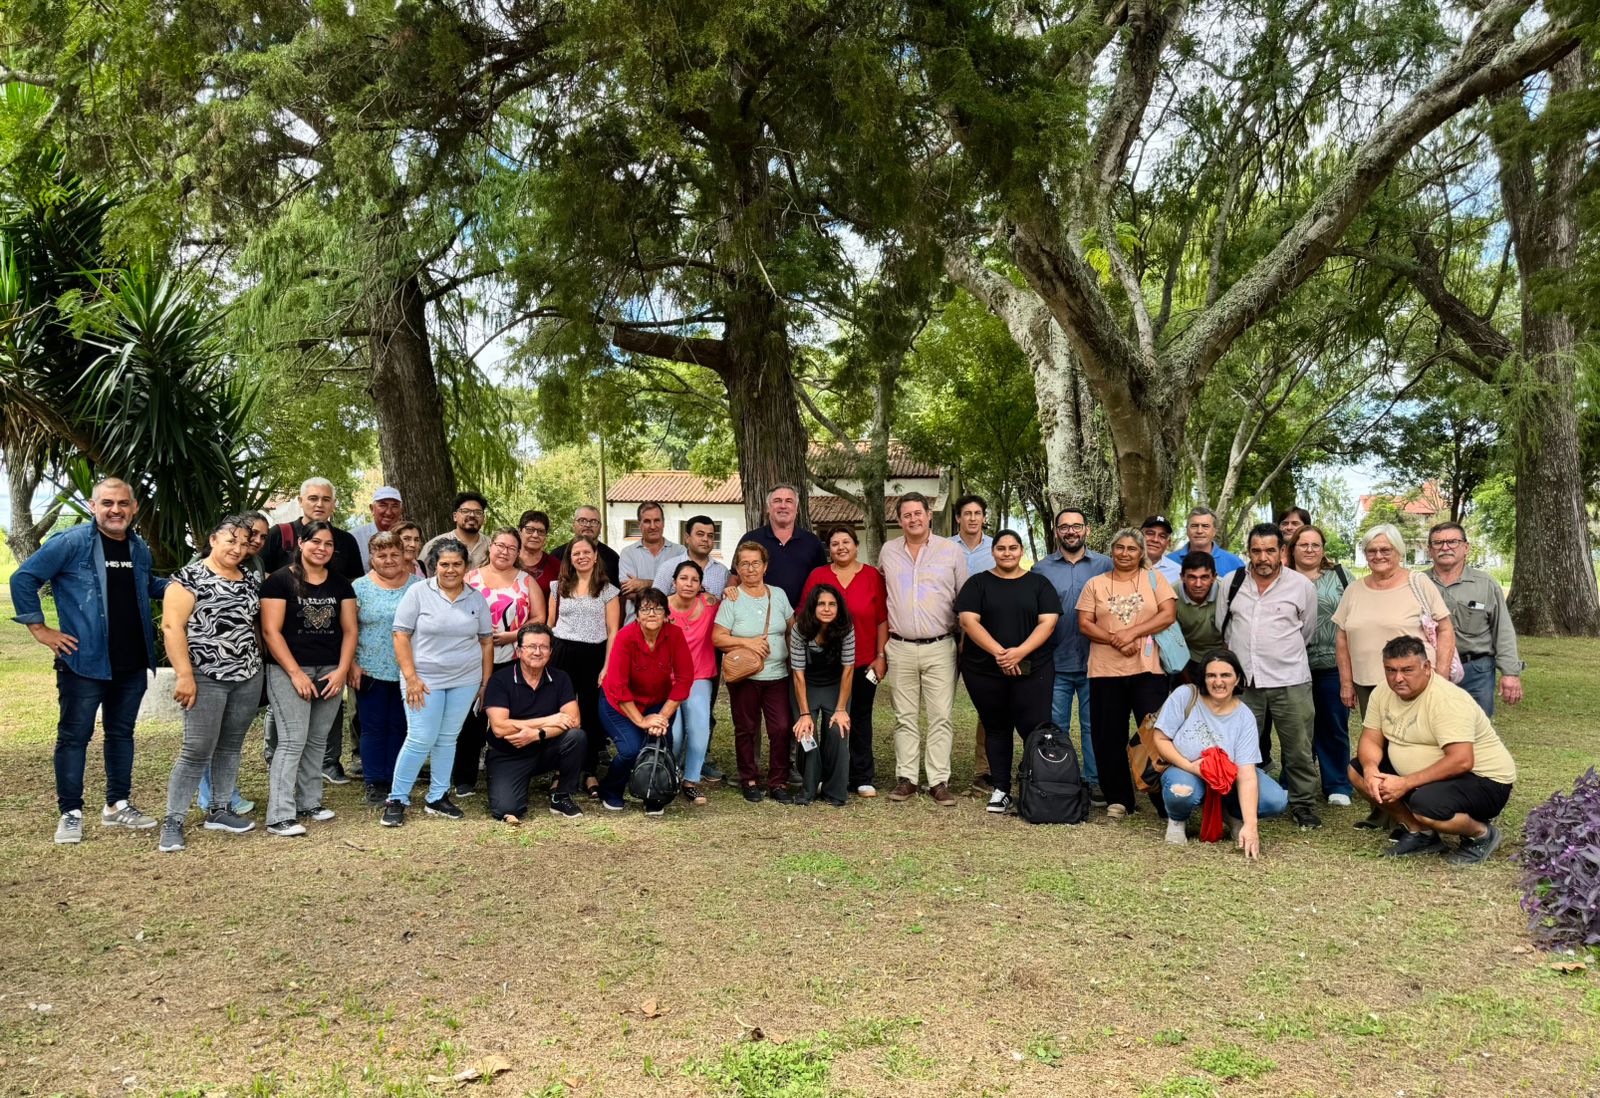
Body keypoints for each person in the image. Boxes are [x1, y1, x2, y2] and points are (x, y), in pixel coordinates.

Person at [11, 477, 170, 844]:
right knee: (74, 736)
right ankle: (70, 813)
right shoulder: (71, 543)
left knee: (121, 734)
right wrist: (40, 629)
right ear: (93, 506)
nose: (116, 510)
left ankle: (117, 805)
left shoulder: (138, 547)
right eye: (107, 503)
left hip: (131, 661)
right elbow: (24, 578)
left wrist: (187, 585)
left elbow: (147, 586)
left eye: (123, 503)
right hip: (84, 661)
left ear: (134, 508)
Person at [1349, 636, 1516, 865]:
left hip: (1484, 780)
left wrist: (1405, 783)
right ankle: (1421, 833)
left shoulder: (1447, 700)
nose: (1398, 678)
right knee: (1357, 770)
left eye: (1407, 670)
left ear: (1426, 667)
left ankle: (1481, 835)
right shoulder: (1382, 692)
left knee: (1426, 805)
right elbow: (1371, 739)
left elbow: (1461, 760)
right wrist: (1370, 769)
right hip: (1434, 776)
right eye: (1390, 670)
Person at [156, 515, 263, 852]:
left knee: (230, 745)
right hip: (205, 675)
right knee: (197, 749)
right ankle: (173, 820)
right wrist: (185, 675)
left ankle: (220, 808)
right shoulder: (188, 578)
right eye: (231, 540)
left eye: (244, 543)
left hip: (247, 674)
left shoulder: (249, 579)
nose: (238, 548)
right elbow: (172, 627)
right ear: (213, 539)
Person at [381, 539, 494, 827]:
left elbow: (486, 641)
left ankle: (438, 796)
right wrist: (411, 678)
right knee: (420, 738)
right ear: (434, 566)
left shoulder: (476, 598)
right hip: (423, 680)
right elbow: (400, 635)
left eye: (457, 564)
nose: (451, 569)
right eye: (444, 564)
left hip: (465, 680)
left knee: (447, 738)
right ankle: (397, 798)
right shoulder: (418, 592)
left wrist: (485, 682)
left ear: (466, 567)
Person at [1216, 523, 1322, 830]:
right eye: (1256, 551)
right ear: (1248, 552)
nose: (1263, 558)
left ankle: (1303, 804)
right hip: (1245, 683)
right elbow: (1224, 626)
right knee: (1238, 746)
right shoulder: (1232, 582)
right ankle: (1236, 802)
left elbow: (1307, 630)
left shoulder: (1301, 586)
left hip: (1290, 680)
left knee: (1298, 747)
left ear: (1283, 552)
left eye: (1270, 550)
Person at [260, 521, 358, 837]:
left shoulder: (341, 584)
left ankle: (309, 802)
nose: (322, 549)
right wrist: (295, 673)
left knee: (317, 739)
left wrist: (342, 670)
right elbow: (270, 632)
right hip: (289, 670)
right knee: (292, 739)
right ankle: (279, 814)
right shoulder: (278, 581)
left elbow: (350, 630)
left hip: (330, 670)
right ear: (301, 543)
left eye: (328, 544)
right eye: (316, 542)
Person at [1076, 528, 1178, 819]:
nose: (1125, 553)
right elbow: (1085, 623)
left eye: (1132, 549)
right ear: (1112, 550)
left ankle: (1163, 799)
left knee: (1155, 736)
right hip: (1105, 671)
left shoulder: (1153, 578)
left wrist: (1131, 633)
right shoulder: (1095, 584)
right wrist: (1115, 639)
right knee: (1107, 735)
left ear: (1141, 552)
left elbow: (1168, 615)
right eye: (1119, 547)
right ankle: (1119, 799)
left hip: (1148, 670)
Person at [956, 530, 1061, 814]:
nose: (1007, 553)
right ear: (993, 552)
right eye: (1001, 548)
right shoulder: (977, 584)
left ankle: (1036, 786)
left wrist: (1019, 652)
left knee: (1034, 728)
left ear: (1021, 551)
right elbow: (968, 621)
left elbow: (1048, 623)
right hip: (985, 671)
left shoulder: (1039, 584)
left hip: (1034, 669)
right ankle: (1001, 789)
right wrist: (1001, 654)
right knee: (996, 727)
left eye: (1013, 548)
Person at [1151, 650, 1288, 856]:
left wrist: (1251, 825)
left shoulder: (1245, 716)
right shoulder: (1185, 695)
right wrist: (1191, 767)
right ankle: (1177, 819)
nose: (1218, 682)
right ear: (1203, 678)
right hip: (1186, 768)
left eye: (1225, 675)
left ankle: (1232, 814)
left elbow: (1246, 774)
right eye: (1211, 675)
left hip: (1228, 776)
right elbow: (1160, 739)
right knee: (1181, 791)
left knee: (1275, 799)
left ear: (1237, 679)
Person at [879, 492, 968, 807]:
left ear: (929, 515)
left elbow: (964, 598)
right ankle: (907, 778)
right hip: (900, 646)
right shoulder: (888, 552)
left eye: (918, 513)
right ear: (899, 520)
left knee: (941, 716)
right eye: (907, 515)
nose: (913, 519)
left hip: (940, 645)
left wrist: (964, 640)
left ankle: (938, 780)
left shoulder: (951, 551)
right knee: (904, 716)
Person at [1332, 524, 1457, 719]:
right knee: (1375, 735)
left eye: (1385, 550)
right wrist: (1346, 682)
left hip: (1413, 683)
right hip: (1366, 685)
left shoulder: (1418, 583)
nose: (1378, 555)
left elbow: (1446, 629)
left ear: (1399, 551)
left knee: (1414, 735)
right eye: (1371, 551)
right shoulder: (1353, 590)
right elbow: (1341, 638)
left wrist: (1441, 677)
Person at [799, 528, 889, 797]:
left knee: (859, 717)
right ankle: (823, 776)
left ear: (856, 545)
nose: (841, 547)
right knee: (828, 718)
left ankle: (861, 776)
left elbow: (882, 619)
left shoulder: (872, 576)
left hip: (863, 661)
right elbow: (804, 614)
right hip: (826, 664)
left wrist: (881, 656)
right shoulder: (818, 576)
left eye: (846, 542)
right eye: (835, 543)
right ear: (829, 549)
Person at [457, 528, 546, 798]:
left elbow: (540, 618)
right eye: (500, 545)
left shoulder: (526, 581)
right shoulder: (470, 578)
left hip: (512, 660)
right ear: (490, 546)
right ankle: (464, 777)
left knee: (509, 718)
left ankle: (508, 772)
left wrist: (513, 635)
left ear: (518, 553)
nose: (504, 551)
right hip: (473, 659)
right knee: (471, 718)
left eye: (511, 548)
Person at [1032, 507, 1112, 803]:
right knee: (1056, 726)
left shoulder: (1106, 565)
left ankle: (1094, 781)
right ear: (1056, 532)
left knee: (1094, 726)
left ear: (1087, 530)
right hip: (1056, 661)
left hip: (1097, 660)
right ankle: (1058, 779)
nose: (1071, 531)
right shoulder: (1041, 569)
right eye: (1064, 527)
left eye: (1077, 526)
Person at [598, 588, 694, 814]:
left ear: (666, 614)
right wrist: (641, 721)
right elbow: (619, 687)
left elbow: (684, 679)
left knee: (661, 746)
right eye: (645, 609)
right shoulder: (625, 637)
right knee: (630, 749)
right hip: (619, 704)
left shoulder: (675, 635)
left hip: (657, 702)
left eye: (658, 609)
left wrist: (661, 717)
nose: (651, 614)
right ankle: (611, 789)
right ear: (637, 615)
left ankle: (655, 793)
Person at [715, 542, 796, 803]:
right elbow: (718, 637)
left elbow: (791, 629)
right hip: (745, 677)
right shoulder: (732, 598)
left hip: (777, 675)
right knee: (746, 729)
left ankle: (778, 782)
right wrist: (748, 643)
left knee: (781, 728)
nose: (751, 569)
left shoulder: (778, 595)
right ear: (738, 568)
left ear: (765, 566)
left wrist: (794, 660)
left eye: (756, 563)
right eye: (745, 564)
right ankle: (749, 779)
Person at [484, 623, 587, 822]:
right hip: (509, 753)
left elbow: (574, 721)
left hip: (544, 749)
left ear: (550, 651)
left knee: (576, 737)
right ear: (519, 650)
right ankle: (511, 783)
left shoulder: (560, 678)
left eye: (544, 647)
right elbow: (499, 728)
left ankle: (561, 795)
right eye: (531, 646)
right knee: (507, 809)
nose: (537, 652)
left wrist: (537, 734)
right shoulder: (500, 679)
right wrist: (550, 720)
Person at [1423, 522, 1523, 717]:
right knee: (1431, 728)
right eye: (1438, 543)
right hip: (1429, 670)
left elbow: (1502, 630)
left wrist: (1510, 673)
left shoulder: (1485, 585)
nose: (1445, 547)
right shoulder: (1417, 584)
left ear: (1466, 547)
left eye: (1453, 542)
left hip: (1476, 672)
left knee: (1476, 728)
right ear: (1429, 550)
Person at [548, 536, 622, 796]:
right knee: (561, 711)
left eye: (586, 552)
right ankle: (560, 770)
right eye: (576, 553)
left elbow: (613, 631)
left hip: (594, 654)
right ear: (570, 558)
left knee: (590, 714)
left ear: (595, 556)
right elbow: (550, 624)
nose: (581, 557)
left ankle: (589, 770)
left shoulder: (608, 590)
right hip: (563, 653)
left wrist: (607, 666)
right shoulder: (558, 587)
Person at [1288, 525, 1355, 806]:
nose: (1309, 550)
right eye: (1303, 545)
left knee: (1333, 725)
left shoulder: (1340, 576)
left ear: (1323, 549)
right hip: (1292, 665)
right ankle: (1294, 781)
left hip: (1331, 664)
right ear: (1292, 548)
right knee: (1296, 728)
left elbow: (1355, 616)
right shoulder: (1282, 578)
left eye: (1315, 545)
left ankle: (1337, 784)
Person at [351, 532, 419, 807]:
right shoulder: (359, 587)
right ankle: (375, 781)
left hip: (409, 671)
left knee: (402, 726)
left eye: (394, 554)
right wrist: (351, 664)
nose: (389, 560)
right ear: (371, 558)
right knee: (373, 727)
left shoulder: (418, 586)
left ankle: (396, 778)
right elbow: (348, 629)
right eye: (381, 555)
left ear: (404, 555)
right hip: (370, 670)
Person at [788, 585, 857, 807]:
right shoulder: (800, 629)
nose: (827, 609)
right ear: (813, 606)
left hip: (836, 687)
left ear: (838, 607)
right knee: (807, 733)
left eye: (832, 604)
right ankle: (808, 789)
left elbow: (848, 669)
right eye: (821, 604)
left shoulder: (846, 627)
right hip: (806, 686)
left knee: (838, 731)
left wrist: (841, 709)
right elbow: (798, 673)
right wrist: (804, 714)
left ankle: (835, 790)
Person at [950, 494, 997, 793]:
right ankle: (937, 771)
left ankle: (985, 770)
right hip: (946, 633)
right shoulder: (942, 548)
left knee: (987, 704)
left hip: (982, 636)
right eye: (966, 513)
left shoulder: (996, 549)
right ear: (958, 518)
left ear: (983, 517)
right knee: (941, 704)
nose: (972, 518)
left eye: (977, 513)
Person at [667, 560, 721, 804]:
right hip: (669, 679)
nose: (688, 584)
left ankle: (690, 781)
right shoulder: (662, 608)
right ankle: (669, 775)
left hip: (699, 677)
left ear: (700, 585)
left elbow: (734, 608)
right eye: (683, 578)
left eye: (694, 580)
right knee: (675, 735)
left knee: (699, 730)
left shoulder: (710, 605)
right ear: (674, 582)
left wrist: (731, 590)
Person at [739, 484, 827, 608]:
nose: (783, 506)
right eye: (777, 501)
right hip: (759, 615)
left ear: (796, 508)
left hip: (803, 616)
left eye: (789, 501)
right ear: (768, 508)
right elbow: (736, 576)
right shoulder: (751, 539)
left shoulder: (812, 542)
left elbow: (822, 581)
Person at [259, 477, 365, 579]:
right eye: (313, 498)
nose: (319, 504)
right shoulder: (279, 533)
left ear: (333, 504)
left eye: (326, 499)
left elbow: (355, 583)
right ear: (300, 501)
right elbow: (260, 574)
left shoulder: (346, 540)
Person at [617, 501, 679, 620]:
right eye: (647, 521)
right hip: (635, 624)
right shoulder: (628, 553)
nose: (652, 526)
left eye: (657, 520)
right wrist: (668, 587)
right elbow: (629, 593)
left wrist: (644, 583)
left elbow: (682, 590)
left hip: (670, 623)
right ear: (639, 524)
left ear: (663, 523)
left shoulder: (679, 552)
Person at [651, 514, 730, 598]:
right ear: (687, 538)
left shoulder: (722, 572)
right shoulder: (668, 567)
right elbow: (655, 601)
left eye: (710, 536)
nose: (705, 539)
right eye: (700, 534)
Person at [1173, 551, 1223, 682]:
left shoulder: (1227, 592)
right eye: (1192, 577)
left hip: (1222, 655)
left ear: (1214, 577)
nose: (1198, 584)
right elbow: (1173, 643)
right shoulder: (1171, 595)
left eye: (1204, 577)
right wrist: (1188, 682)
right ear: (1182, 577)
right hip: (1187, 657)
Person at [421, 492, 490, 571]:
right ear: (455, 516)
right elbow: (420, 573)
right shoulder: (434, 545)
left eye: (478, 512)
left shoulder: (492, 546)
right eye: (465, 511)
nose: (472, 515)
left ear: (483, 518)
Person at [552, 504, 621, 582]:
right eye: (582, 521)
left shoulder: (613, 558)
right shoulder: (557, 556)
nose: (588, 525)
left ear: (600, 527)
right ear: (573, 524)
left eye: (594, 521)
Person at [1168, 507, 1243, 577]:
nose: (1199, 531)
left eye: (1205, 526)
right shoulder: (1169, 561)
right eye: (1194, 526)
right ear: (1187, 530)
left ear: (1214, 531)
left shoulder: (1234, 563)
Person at [516, 509, 564, 603]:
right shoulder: (508, 561)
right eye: (530, 530)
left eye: (541, 531)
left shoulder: (557, 567)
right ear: (520, 531)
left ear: (546, 536)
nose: (535, 535)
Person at [352, 486, 404, 569]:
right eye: (383, 505)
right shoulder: (354, 538)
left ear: (401, 510)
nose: (389, 512)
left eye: (395, 506)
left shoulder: (407, 538)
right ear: (372, 509)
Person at [1141, 515, 1181, 583]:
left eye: (1162, 536)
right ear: (1139, 536)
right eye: (1150, 533)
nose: (1155, 539)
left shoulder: (1177, 572)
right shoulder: (1123, 564)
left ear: (1168, 542)